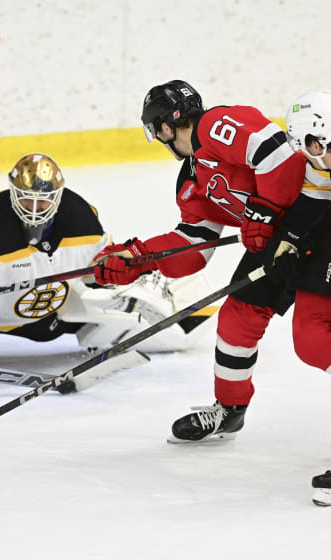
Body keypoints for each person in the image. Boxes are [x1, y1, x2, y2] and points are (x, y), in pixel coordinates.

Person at [92, 79, 306, 442]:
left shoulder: (215, 126)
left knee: (316, 332)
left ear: (163, 126)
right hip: (277, 246)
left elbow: (278, 154)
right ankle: (230, 410)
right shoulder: (192, 176)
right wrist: (140, 258)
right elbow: (195, 244)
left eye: (156, 130)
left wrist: (265, 211)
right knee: (238, 315)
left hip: (314, 224)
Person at [0, 152, 213, 400]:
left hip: (48, 322)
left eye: (42, 201)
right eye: (26, 199)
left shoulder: (80, 219)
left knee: (150, 317)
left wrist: (117, 273)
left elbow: (101, 270)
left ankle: (164, 304)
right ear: (12, 193)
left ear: (58, 196)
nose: (33, 209)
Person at [266, 90, 331, 506]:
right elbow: (314, 200)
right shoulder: (322, 166)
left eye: (309, 147)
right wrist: (288, 241)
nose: (309, 157)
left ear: (319, 139)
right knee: (310, 334)